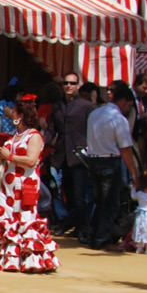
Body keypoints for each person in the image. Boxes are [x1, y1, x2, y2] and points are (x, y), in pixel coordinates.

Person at [0, 100, 59, 273]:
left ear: (20, 116)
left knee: (25, 219)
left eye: (14, 112)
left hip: (25, 187)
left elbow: (31, 160)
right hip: (7, 187)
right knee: (5, 218)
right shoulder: (15, 135)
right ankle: (4, 259)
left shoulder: (34, 136)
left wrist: (10, 156)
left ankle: (30, 259)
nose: (10, 114)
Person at [83, 82, 138, 250]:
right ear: (123, 101)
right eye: (128, 105)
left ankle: (92, 234)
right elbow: (125, 149)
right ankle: (102, 238)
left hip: (93, 159)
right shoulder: (118, 119)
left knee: (98, 201)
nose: (128, 108)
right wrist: (134, 173)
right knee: (109, 203)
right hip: (110, 161)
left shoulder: (95, 114)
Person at [51, 77, 95, 236]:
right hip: (61, 155)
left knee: (80, 196)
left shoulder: (86, 106)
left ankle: (81, 228)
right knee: (64, 193)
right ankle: (73, 224)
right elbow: (52, 129)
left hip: (80, 156)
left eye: (72, 83)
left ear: (77, 86)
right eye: (66, 83)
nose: (69, 86)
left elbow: (92, 130)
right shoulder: (58, 106)